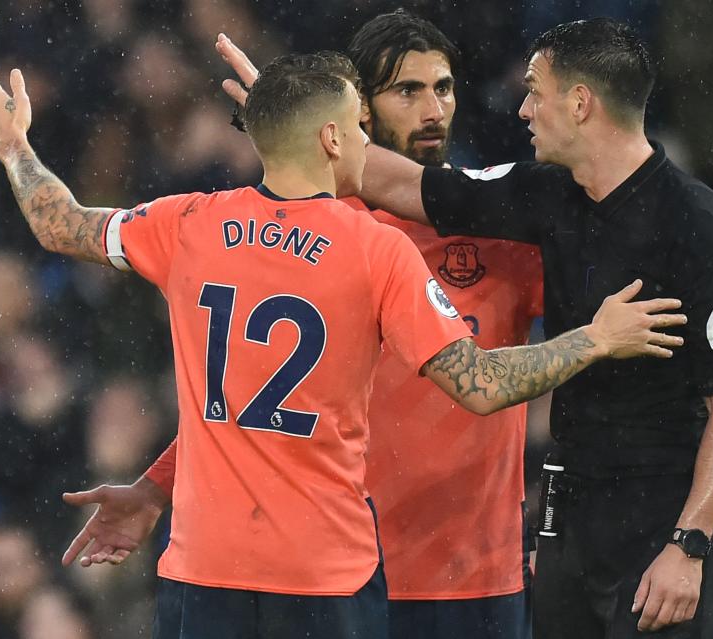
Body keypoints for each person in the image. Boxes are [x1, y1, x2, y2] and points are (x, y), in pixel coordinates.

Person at [0, 51, 684, 638]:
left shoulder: (187, 221)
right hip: (321, 577)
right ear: (335, 140)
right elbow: (480, 383)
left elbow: (57, 222)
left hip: (204, 568)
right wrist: (595, 338)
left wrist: (14, 146)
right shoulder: (374, 250)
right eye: (356, 123)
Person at [65, 12, 544, 639]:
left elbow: (591, 377)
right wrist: (158, 487)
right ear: (354, 118)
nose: (433, 108)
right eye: (407, 90)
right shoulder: (308, 238)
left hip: (469, 575)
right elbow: (257, 398)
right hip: (332, 577)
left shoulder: (503, 229)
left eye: (444, 87)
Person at [341, 18, 713, 638]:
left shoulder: (700, 226)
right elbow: (416, 186)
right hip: (568, 516)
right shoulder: (546, 196)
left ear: (581, 103)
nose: (523, 108)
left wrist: (690, 545)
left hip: (657, 517)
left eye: (536, 91)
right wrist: (295, 117)